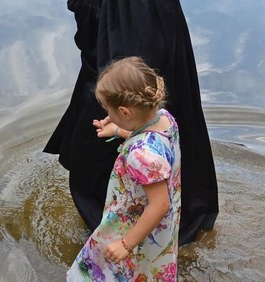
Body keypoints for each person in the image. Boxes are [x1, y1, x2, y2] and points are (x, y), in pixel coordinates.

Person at [44, 0, 218, 245]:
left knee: (91, 172)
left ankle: (120, 242)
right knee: (94, 165)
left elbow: (136, 58)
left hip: (122, 94)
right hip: (109, 81)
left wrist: (124, 121)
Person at [67, 56, 180, 281]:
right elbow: (147, 139)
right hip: (160, 228)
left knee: (101, 268)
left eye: (109, 111)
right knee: (147, 268)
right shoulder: (164, 119)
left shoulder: (141, 155)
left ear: (125, 112)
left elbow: (159, 204)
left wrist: (126, 244)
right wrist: (118, 131)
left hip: (133, 225)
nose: (108, 116)